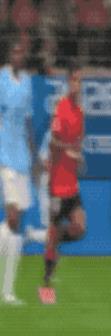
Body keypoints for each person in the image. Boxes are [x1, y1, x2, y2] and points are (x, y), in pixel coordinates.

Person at [38, 61, 86, 304]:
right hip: (57, 184)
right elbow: (53, 142)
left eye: (80, 81)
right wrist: (68, 151)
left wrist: (79, 158)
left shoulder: (80, 112)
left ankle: (54, 243)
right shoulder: (62, 107)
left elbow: (78, 143)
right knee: (54, 229)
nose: (77, 85)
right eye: (74, 80)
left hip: (72, 184)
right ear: (69, 83)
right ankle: (46, 283)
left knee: (80, 227)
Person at [0, 42, 35, 305]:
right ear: (9, 55)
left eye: (21, 52)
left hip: (22, 158)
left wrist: (34, 156)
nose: (18, 55)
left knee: (16, 226)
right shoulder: (1, 78)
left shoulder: (27, 82)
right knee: (12, 218)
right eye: (15, 51)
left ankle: (8, 291)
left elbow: (28, 120)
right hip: (5, 157)